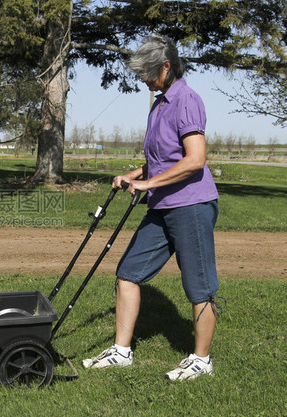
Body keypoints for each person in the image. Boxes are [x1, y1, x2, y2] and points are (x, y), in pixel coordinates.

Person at [82, 34, 224, 381]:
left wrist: (147, 184)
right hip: (162, 205)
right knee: (128, 272)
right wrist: (133, 176)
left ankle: (201, 360)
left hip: (191, 204)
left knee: (199, 287)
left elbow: (195, 160)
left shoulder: (187, 100)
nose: (142, 79)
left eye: (147, 72)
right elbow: (161, 160)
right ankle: (121, 351)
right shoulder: (159, 104)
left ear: (166, 66)